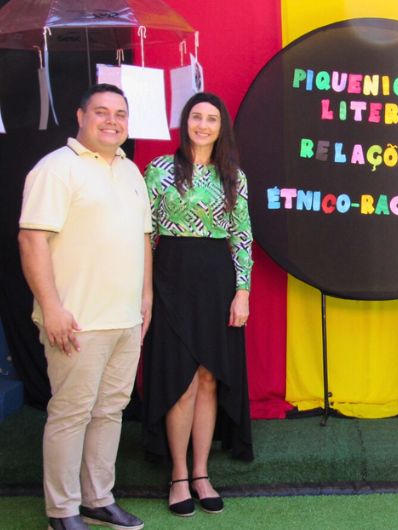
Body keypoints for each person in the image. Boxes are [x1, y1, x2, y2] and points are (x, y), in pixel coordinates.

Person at [18, 84, 150, 530]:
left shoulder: (131, 172)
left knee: (110, 411)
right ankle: (62, 511)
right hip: (76, 320)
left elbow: (143, 239)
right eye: (101, 112)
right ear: (80, 116)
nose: (112, 121)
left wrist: (146, 297)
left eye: (120, 114)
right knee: (71, 414)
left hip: (125, 320)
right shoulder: (56, 169)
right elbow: (31, 240)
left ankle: (98, 499)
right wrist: (51, 307)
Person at [141, 92, 254, 517]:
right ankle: (178, 475)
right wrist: (146, 290)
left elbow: (241, 236)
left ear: (222, 127)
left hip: (216, 283)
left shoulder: (234, 177)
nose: (203, 125)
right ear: (184, 122)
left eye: (211, 119)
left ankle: (202, 473)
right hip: (170, 279)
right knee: (182, 380)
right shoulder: (159, 170)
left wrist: (242, 291)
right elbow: (145, 233)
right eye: (196, 117)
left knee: (208, 378)